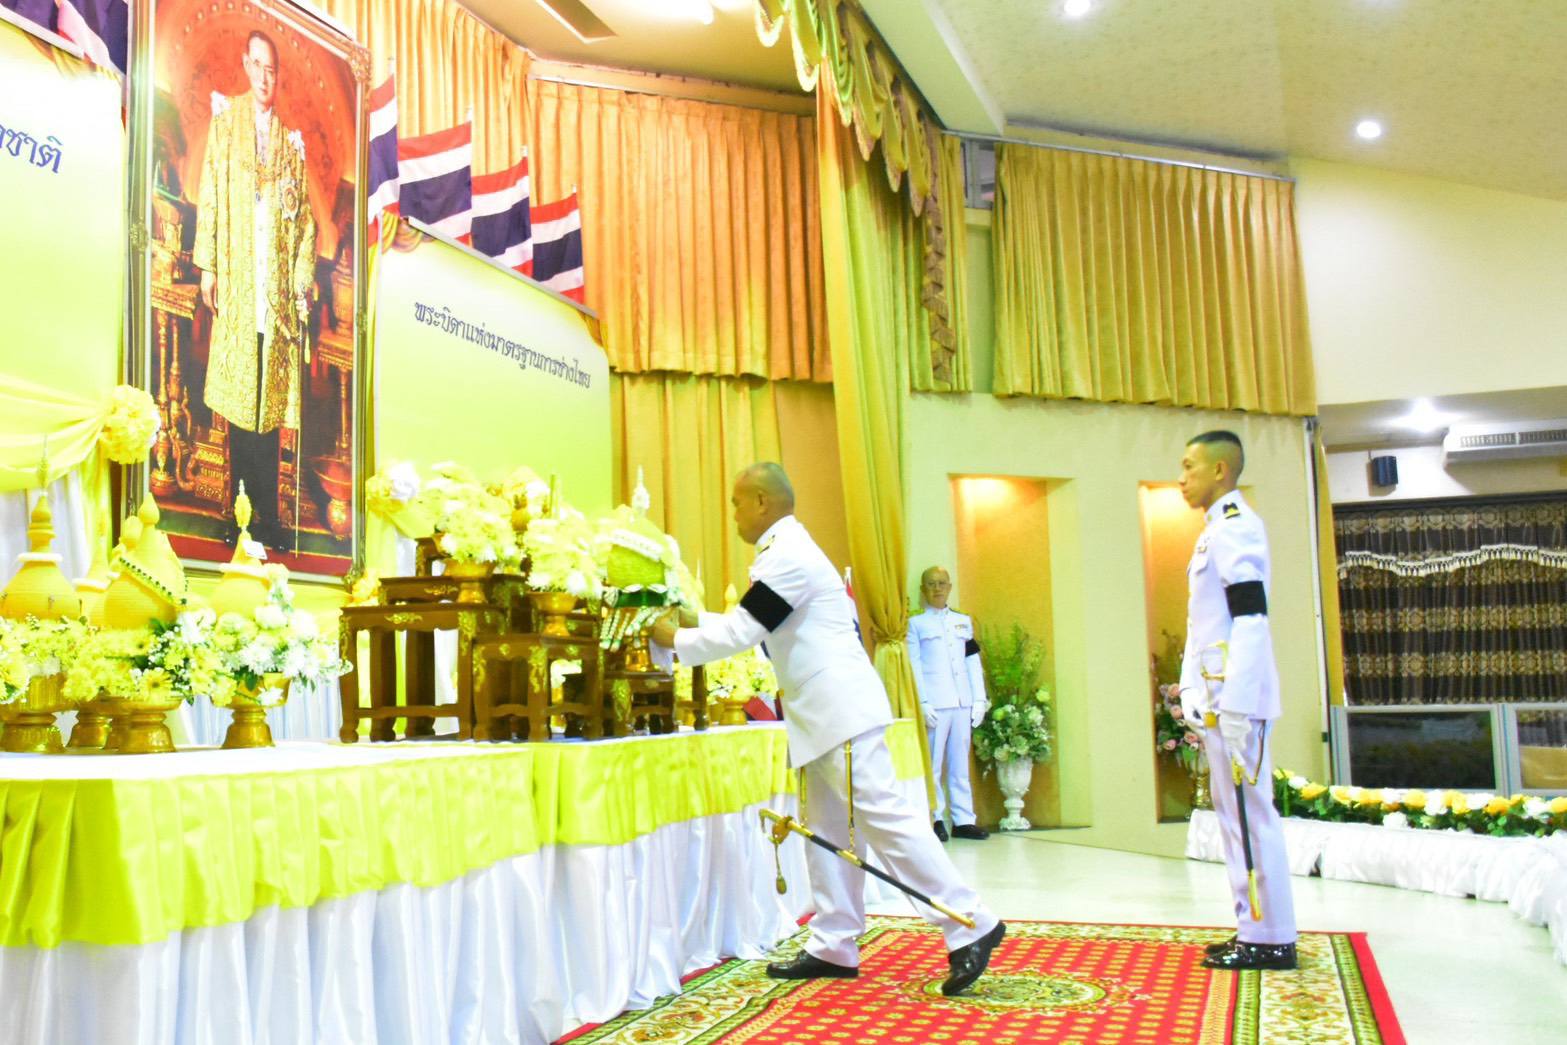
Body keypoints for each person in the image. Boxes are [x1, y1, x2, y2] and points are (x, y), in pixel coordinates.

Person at [650, 463, 1005, 995]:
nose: (734, 513)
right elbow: (755, 620)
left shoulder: (788, 555)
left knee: (884, 820)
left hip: (839, 711)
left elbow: (744, 630)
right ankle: (834, 942)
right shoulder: (782, 551)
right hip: (820, 714)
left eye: (738, 503)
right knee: (828, 830)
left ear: (763, 502)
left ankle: (970, 921)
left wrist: (671, 639)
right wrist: (689, 621)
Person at [1176, 431, 1298, 971]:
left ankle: (1270, 938)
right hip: (1218, 697)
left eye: (1190, 466)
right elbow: (1203, 626)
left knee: (1250, 816)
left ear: (1220, 470)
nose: (1182, 478)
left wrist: (1237, 705)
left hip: (1237, 702)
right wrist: (1191, 689)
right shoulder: (1212, 532)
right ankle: (1253, 925)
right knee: (1232, 817)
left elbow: (1250, 619)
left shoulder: (1236, 527)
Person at [193, 29, 317, 549]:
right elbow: (210, 194)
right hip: (240, 286)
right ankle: (239, 514)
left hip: (276, 299)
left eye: (273, 70)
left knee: (268, 410)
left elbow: (305, 222)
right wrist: (208, 267)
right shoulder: (226, 124)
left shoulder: (291, 144)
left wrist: (301, 285)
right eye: (258, 66)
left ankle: (267, 517)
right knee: (241, 408)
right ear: (246, 65)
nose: (266, 78)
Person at [907, 566, 990, 842]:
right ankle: (935, 817)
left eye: (942, 583)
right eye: (931, 584)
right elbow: (914, 665)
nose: (937, 588)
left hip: (962, 701)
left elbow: (972, 661)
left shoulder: (962, 621)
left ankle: (964, 820)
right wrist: (922, 701)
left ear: (950, 587)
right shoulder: (916, 624)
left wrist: (979, 699)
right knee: (933, 764)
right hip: (936, 703)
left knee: (959, 764)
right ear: (923, 589)